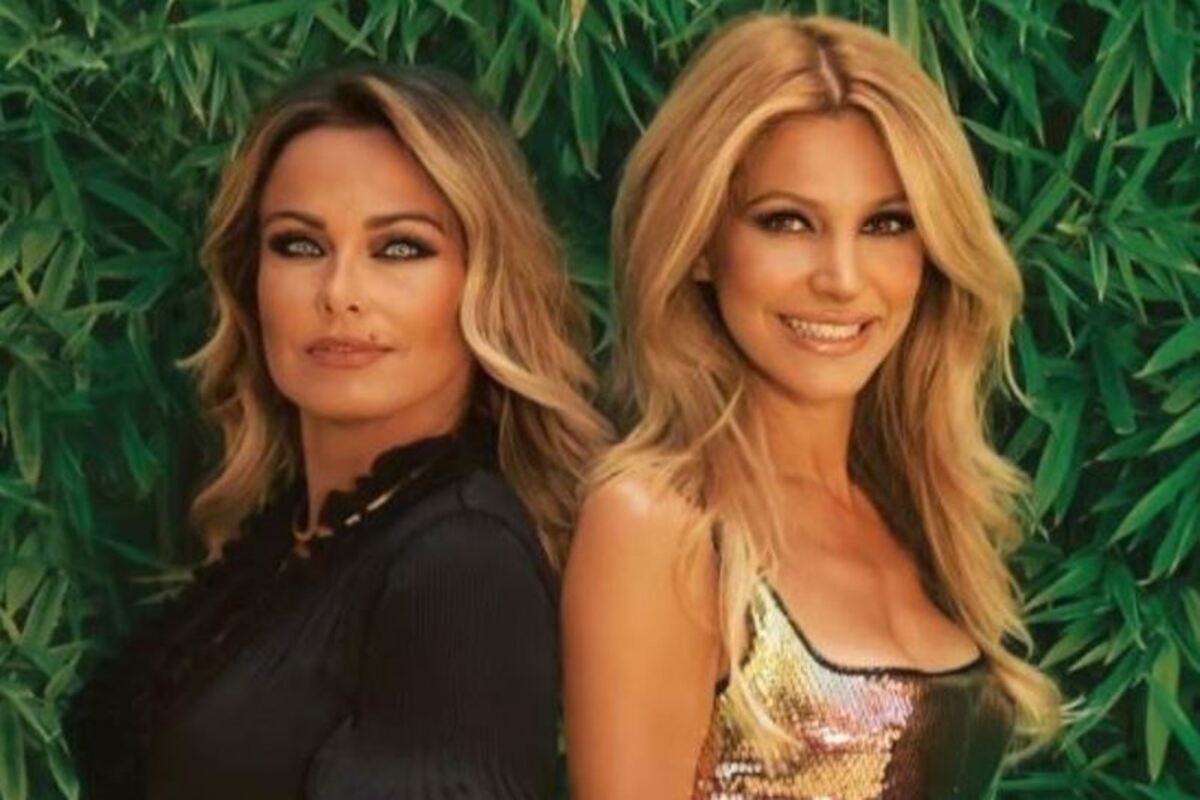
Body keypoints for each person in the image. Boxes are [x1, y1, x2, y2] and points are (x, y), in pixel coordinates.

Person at [67, 63, 608, 800]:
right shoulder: (305, 535)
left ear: (483, 285)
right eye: (298, 245)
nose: (339, 293)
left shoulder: (460, 563)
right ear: (251, 279)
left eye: (400, 248)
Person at [562, 13, 1061, 799]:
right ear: (701, 243)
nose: (841, 278)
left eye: (887, 224)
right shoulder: (659, 525)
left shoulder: (921, 512)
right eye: (787, 222)